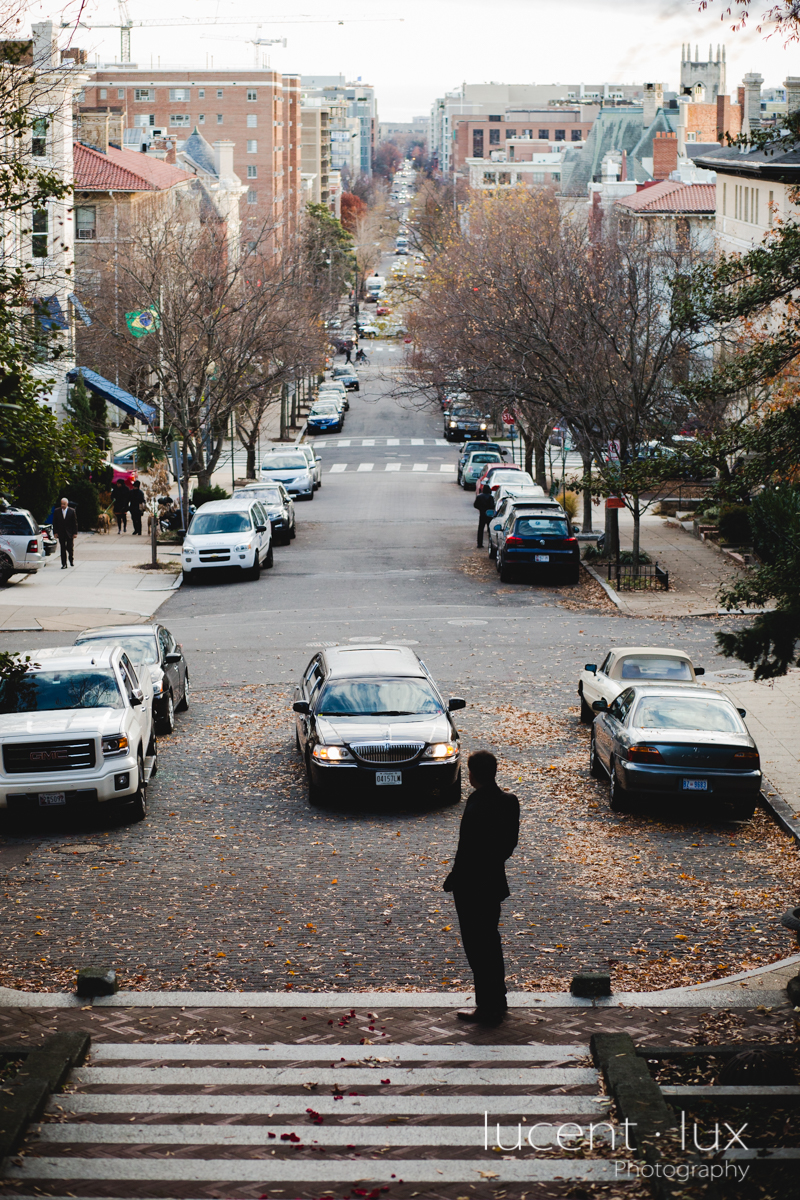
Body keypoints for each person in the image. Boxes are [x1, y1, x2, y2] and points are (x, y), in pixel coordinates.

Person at [443, 750, 520, 1026]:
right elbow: (506, 845)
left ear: (474, 773)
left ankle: (488, 1006)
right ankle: (496, 1000)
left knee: (478, 946)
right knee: (489, 942)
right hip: (490, 882)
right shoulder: (507, 802)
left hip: (472, 884)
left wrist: (459, 874)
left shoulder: (478, 802)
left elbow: (467, 848)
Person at [52, 497, 78, 569]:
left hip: (69, 533)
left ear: (67, 504)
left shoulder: (72, 511)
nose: (62, 505)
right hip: (61, 533)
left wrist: (75, 533)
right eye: (61, 504)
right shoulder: (57, 511)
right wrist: (55, 532)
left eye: (64, 504)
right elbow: (55, 523)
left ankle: (71, 559)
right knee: (62, 548)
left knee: (70, 548)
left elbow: (74, 523)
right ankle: (64, 564)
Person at [474, 483, 495, 549]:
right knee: (490, 530)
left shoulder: (479, 497)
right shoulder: (490, 497)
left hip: (482, 514)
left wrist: (480, 508)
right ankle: (491, 543)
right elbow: (492, 506)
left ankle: (479, 543)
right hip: (489, 515)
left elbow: (475, 505)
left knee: (480, 529)